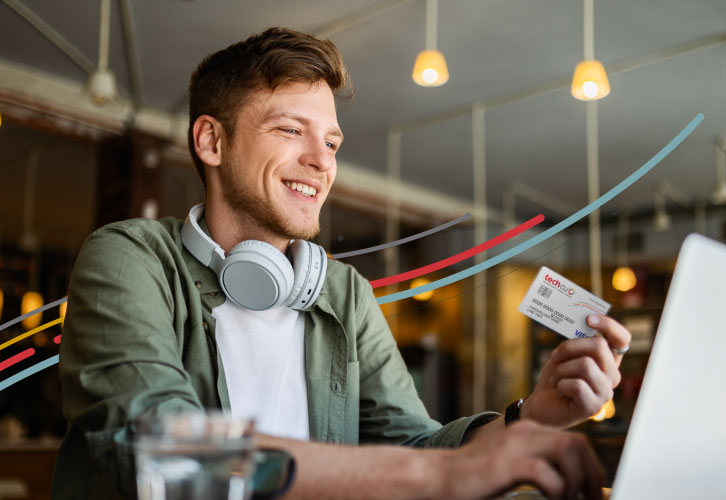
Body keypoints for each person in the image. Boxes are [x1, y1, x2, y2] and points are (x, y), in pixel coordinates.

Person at [51, 27, 631, 500]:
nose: (320, 161)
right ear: (211, 142)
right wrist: (433, 479)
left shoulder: (344, 291)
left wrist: (531, 416)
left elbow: (414, 445)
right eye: (290, 130)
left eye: (330, 142)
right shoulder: (130, 257)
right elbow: (155, 449)